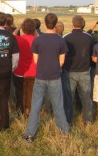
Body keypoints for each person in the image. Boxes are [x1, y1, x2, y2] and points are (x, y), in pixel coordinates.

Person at [22, 13, 69, 142]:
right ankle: (64, 132)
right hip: (55, 76)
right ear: (56, 23)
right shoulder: (60, 40)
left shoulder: (38, 39)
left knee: (36, 106)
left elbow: (36, 60)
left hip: (40, 76)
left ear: (45, 23)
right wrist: (54, 66)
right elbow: (62, 61)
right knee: (58, 105)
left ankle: (30, 134)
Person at [62, 15, 94, 124]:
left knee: (69, 97)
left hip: (70, 71)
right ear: (83, 24)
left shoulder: (66, 37)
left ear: (72, 24)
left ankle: (68, 119)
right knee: (86, 97)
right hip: (84, 70)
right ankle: (88, 120)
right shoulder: (88, 37)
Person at [12, 19, 37, 117]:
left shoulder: (18, 39)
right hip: (33, 71)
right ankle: (29, 111)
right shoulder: (36, 40)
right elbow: (39, 37)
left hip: (19, 71)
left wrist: (18, 27)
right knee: (31, 93)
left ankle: (20, 110)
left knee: (19, 92)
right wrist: (34, 31)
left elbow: (12, 36)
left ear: (23, 28)